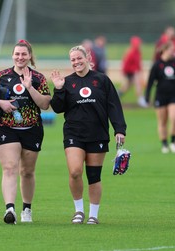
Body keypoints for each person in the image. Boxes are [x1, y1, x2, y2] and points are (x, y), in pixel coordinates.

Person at [50, 45, 127, 225]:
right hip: (73, 134)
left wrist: (120, 129)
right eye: (73, 60)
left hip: (97, 133)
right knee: (75, 171)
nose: (76, 62)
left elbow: (113, 106)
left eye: (79, 58)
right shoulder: (67, 82)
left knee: (94, 176)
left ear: (87, 58)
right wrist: (59, 89)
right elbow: (57, 108)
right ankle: (79, 211)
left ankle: (93, 214)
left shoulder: (102, 80)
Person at [0, 40, 51, 224]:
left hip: (32, 128)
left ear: (30, 56)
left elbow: (45, 104)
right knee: (9, 168)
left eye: (24, 54)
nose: (20, 57)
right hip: (7, 127)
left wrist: (29, 87)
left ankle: (27, 209)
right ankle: (10, 209)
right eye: (17, 54)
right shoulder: (2, 76)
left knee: (27, 171)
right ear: (12, 55)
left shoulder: (38, 78)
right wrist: (1, 103)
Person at [145, 41, 175, 154]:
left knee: (174, 118)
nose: (173, 52)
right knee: (162, 121)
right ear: (164, 50)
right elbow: (150, 81)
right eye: (171, 50)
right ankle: (164, 144)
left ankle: (173, 142)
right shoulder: (157, 64)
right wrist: (147, 96)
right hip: (161, 96)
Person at [119, 36, 147, 108]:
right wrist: (126, 73)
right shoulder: (130, 52)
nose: (139, 45)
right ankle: (140, 99)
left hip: (134, 71)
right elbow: (126, 63)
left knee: (126, 86)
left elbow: (138, 63)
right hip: (130, 71)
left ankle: (116, 96)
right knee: (137, 84)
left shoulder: (138, 52)